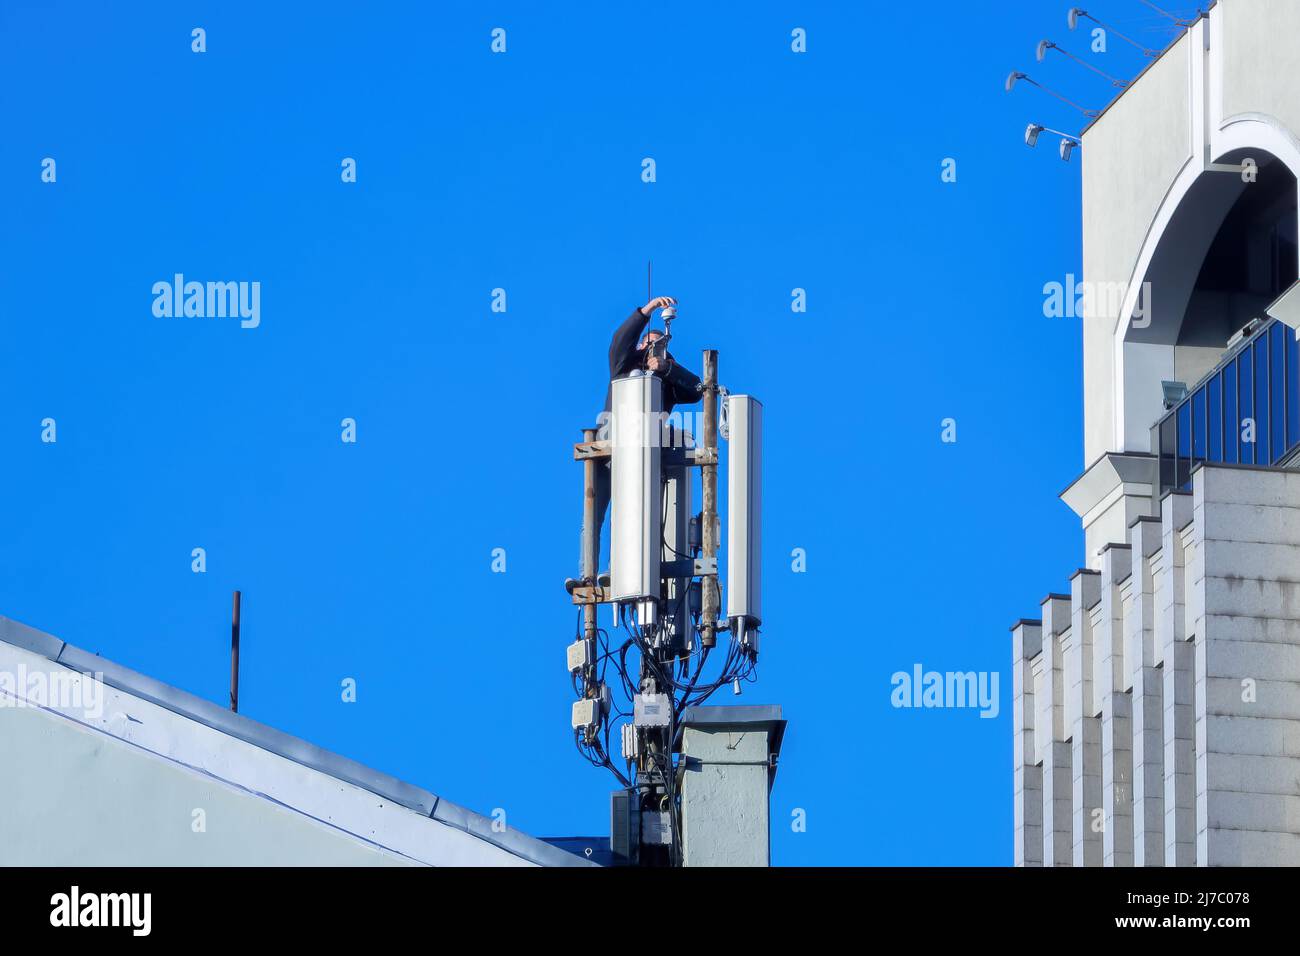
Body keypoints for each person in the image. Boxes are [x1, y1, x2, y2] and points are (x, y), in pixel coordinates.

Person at [568, 296, 702, 593]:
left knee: (628, 512)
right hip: (608, 447)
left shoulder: (666, 383)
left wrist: (666, 368)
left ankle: (617, 571)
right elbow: (619, 342)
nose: (651, 348)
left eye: (659, 344)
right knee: (593, 515)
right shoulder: (622, 368)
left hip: (641, 454)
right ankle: (587, 575)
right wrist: (647, 311)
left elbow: (696, 390)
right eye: (647, 343)